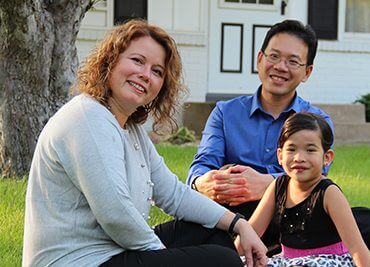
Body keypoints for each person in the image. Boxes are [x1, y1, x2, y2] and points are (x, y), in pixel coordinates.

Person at [22, 19, 267, 267]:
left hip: (113, 251)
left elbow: (174, 194)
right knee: (221, 260)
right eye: (137, 61)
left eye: (157, 71)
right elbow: (117, 215)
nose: (145, 75)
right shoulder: (87, 117)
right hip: (78, 261)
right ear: (111, 60)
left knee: (211, 234)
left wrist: (238, 223)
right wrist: (161, 257)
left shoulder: (129, 128)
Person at [186, 19, 370, 255]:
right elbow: (201, 164)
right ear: (260, 59)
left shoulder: (317, 121)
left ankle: (244, 250)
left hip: (292, 216)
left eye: (293, 61)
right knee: (186, 226)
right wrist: (203, 182)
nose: (281, 67)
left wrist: (271, 184)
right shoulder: (225, 112)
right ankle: (284, 250)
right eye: (274, 56)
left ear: (307, 72)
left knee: (368, 222)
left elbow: (319, 177)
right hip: (234, 212)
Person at [235, 112, 370, 266]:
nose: (299, 158)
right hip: (286, 261)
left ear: (327, 157)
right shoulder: (278, 185)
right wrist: (231, 257)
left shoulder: (328, 192)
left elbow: (356, 247)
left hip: (325, 262)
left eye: (310, 150)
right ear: (280, 156)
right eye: (292, 149)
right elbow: (252, 231)